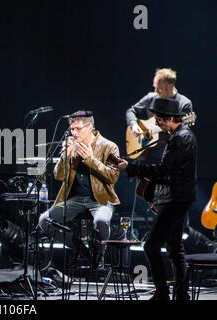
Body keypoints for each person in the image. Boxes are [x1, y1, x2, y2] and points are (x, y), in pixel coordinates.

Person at [118, 98, 197, 300]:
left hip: (175, 199)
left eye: (160, 120)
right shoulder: (179, 137)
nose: (158, 123)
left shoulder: (181, 138)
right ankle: (181, 295)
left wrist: (131, 168)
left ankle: (163, 293)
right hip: (176, 198)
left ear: (171, 118)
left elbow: (164, 171)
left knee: (151, 245)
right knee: (174, 247)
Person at [39, 110, 120, 269]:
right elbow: (58, 175)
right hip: (74, 199)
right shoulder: (71, 146)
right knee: (44, 221)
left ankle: (98, 256)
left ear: (90, 127)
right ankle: (81, 251)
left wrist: (90, 159)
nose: (74, 133)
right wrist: (65, 156)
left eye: (78, 129)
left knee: (101, 221)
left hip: (101, 199)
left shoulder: (109, 146)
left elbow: (112, 176)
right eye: (72, 129)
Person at [126, 68, 193, 163]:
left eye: (159, 89)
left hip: (167, 156)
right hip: (144, 155)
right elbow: (131, 111)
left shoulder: (184, 103)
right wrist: (134, 125)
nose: (155, 91)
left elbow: (183, 133)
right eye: (155, 87)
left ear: (170, 86)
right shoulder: (151, 97)